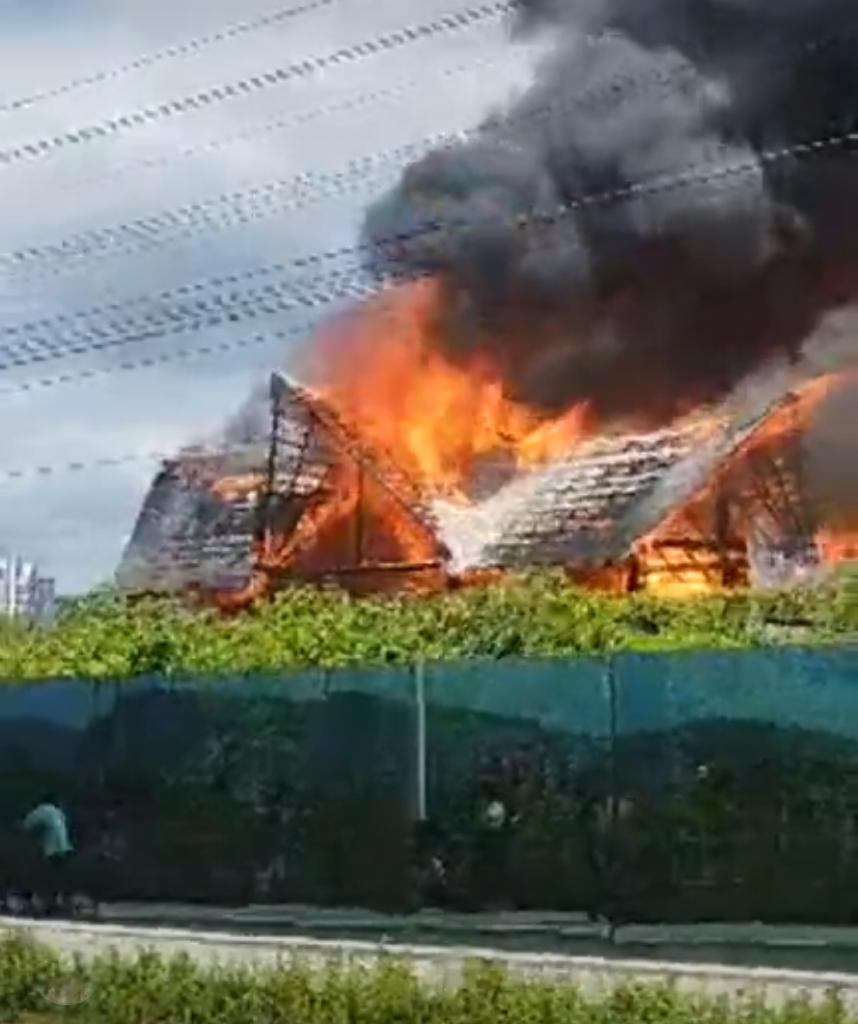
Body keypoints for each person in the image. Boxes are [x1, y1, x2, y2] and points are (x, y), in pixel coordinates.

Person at [21, 795, 75, 915]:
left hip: (52, 851)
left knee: (44, 877)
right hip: (66, 849)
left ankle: (43, 903)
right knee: (58, 877)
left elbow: (27, 825)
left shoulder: (43, 810)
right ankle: (59, 900)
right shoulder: (59, 813)